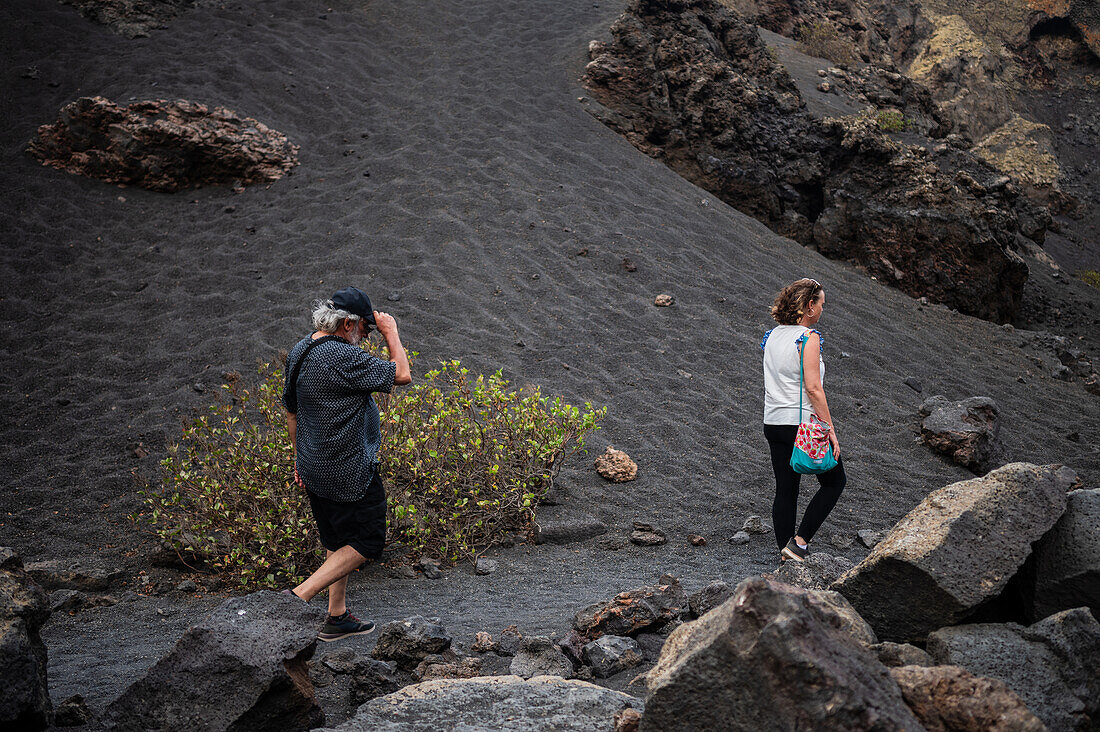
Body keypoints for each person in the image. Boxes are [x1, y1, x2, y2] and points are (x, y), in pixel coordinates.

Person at [283, 286, 411, 641]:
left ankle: (336, 615)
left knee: (337, 539)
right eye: (366, 331)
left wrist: (299, 457)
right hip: (349, 468)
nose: (366, 338)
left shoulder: (302, 348)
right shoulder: (341, 357)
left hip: (314, 465)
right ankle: (297, 597)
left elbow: (291, 412)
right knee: (367, 541)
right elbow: (402, 374)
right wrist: (391, 332)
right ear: (347, 324)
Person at [760, 278, 845, 562]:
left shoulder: (771, 335)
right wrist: (830, 429)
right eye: (821, 303)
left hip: (773, 421)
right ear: (810, 305)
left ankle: (785, 552)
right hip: (802, 424)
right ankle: (799, 543)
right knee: (834, 482)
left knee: (786, 488)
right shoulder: (808, 338)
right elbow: (813, 388)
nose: (822, 309)